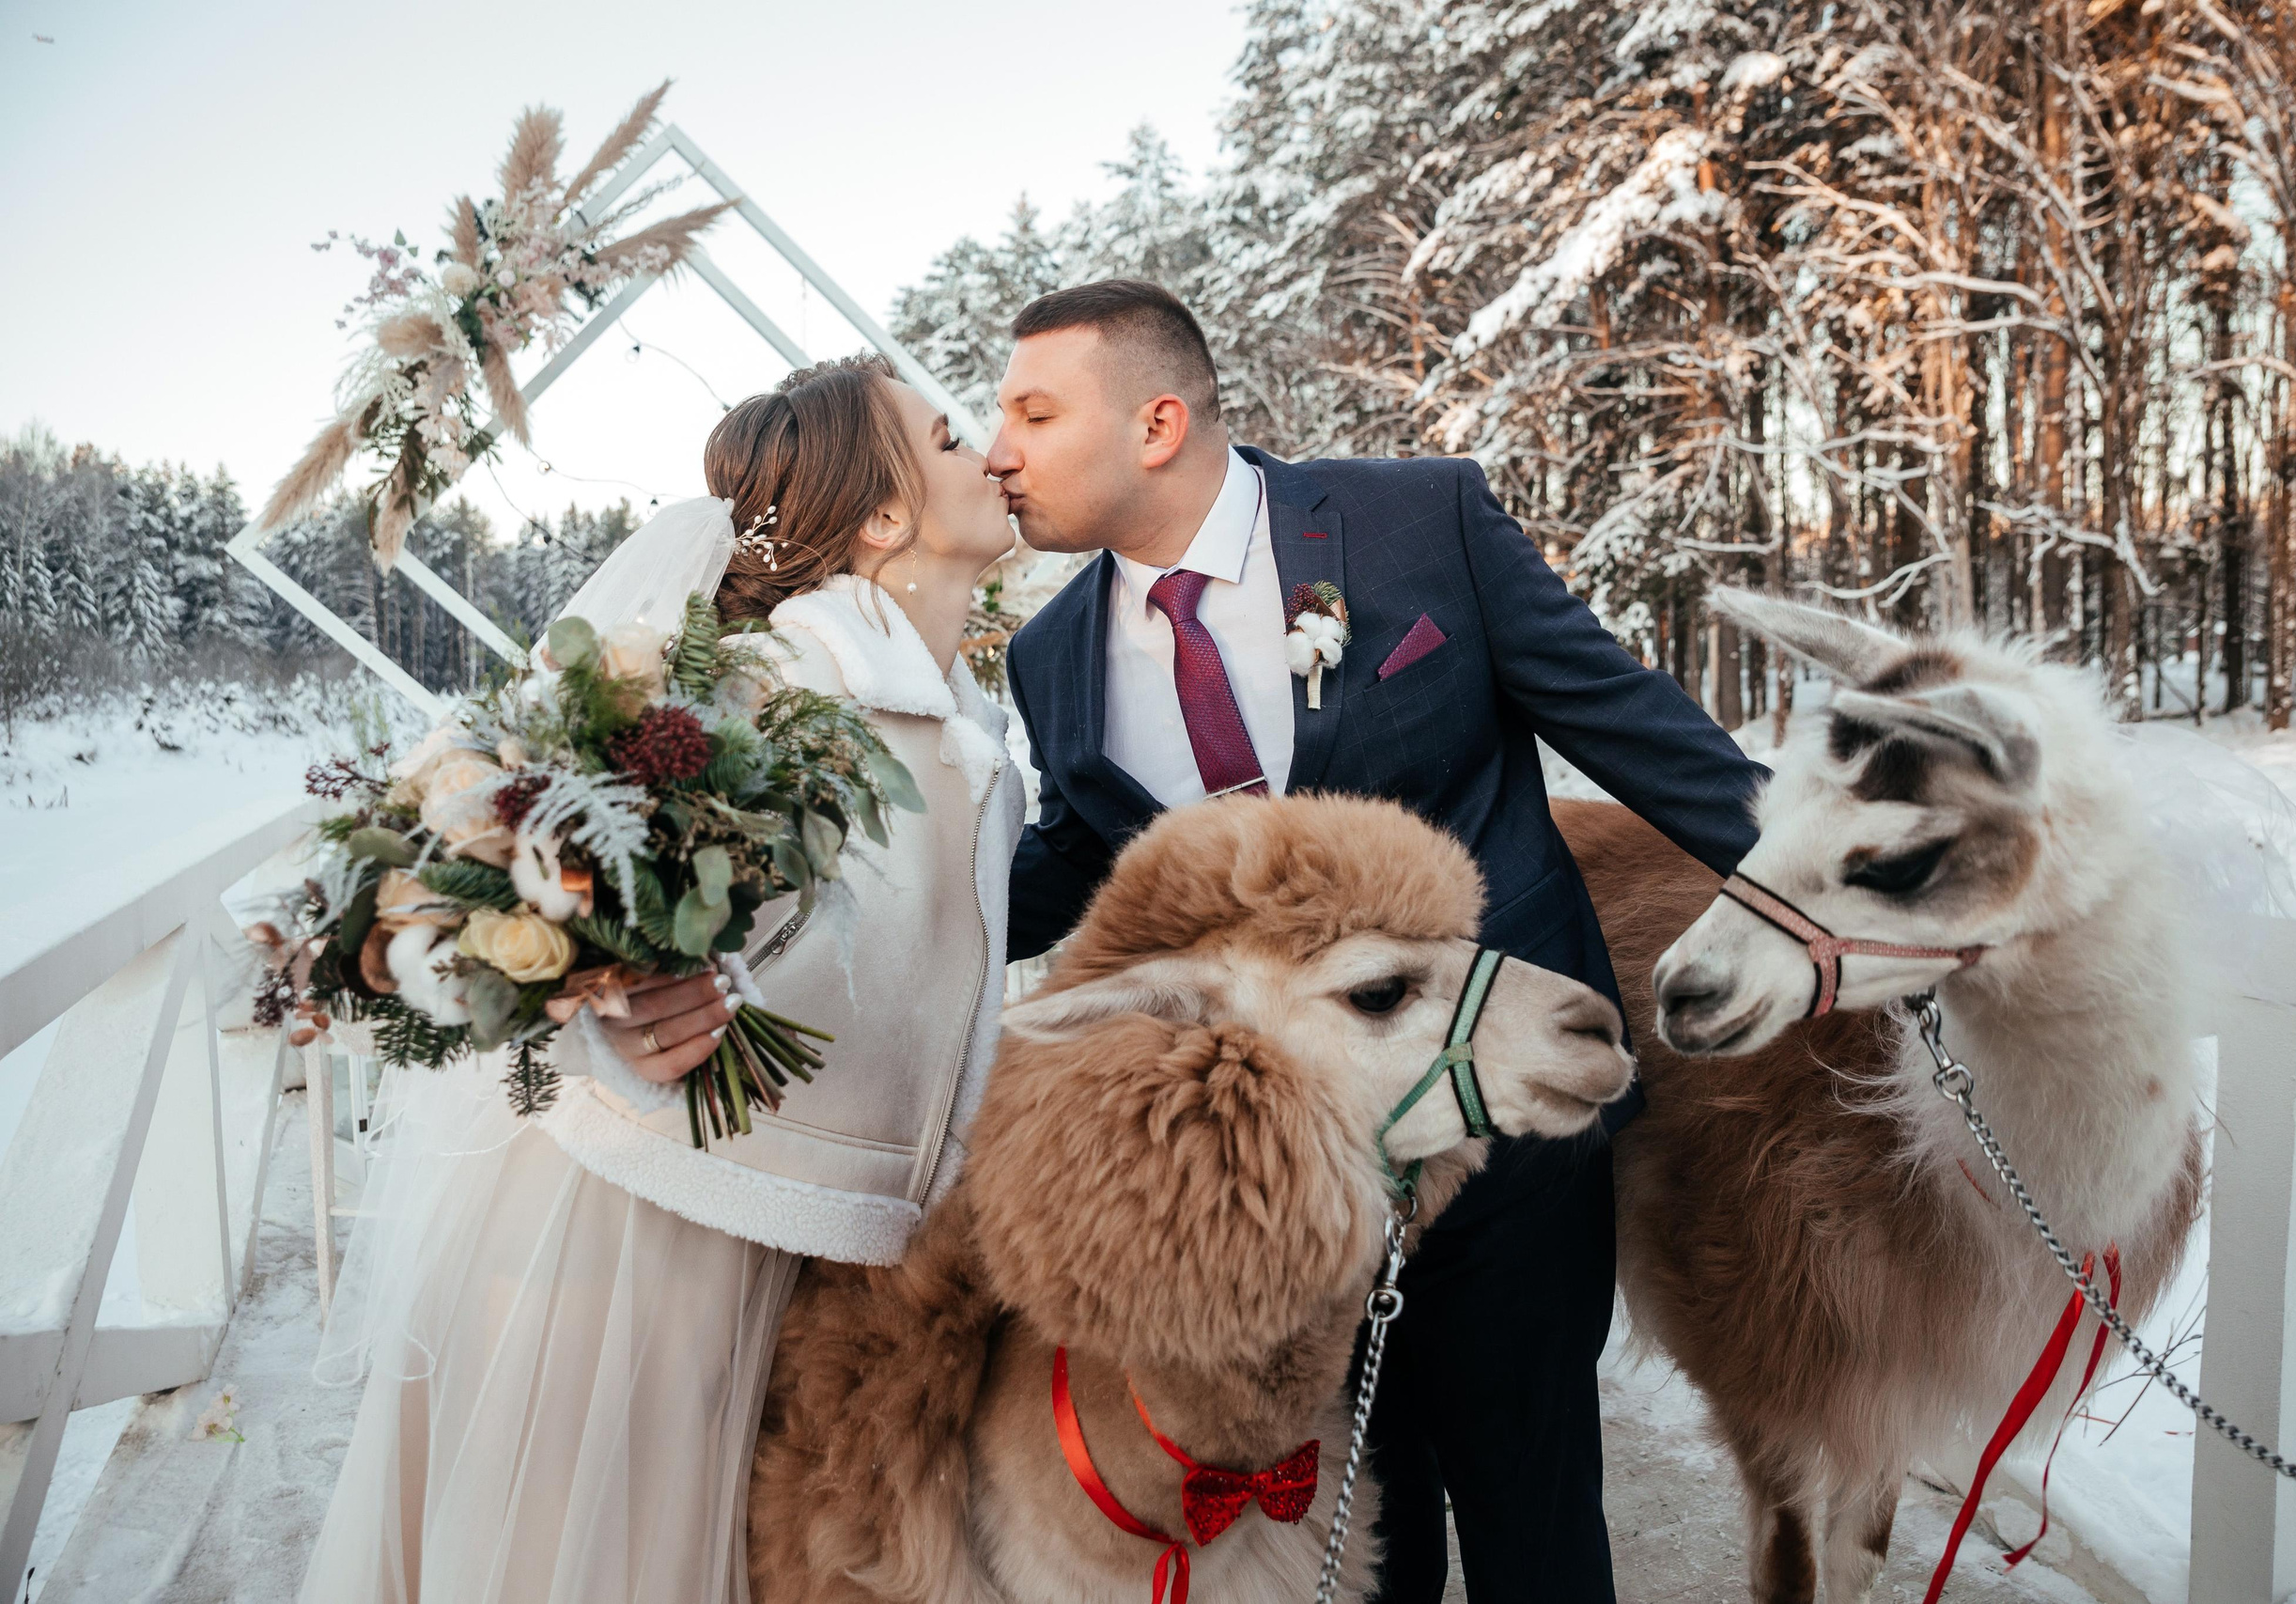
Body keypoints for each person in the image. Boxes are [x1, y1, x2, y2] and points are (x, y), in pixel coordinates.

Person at [992, 279, 1767, 1602]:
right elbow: (1082, 853)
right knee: (1361, 1531)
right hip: (1300, 1180)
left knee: (1533, 1520)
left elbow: (1631, 727)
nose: (999, 448)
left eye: (1034, 411)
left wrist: (1841, 892)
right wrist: (888, 937)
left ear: (1157, 422)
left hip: (1504, 1115)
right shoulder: (1052, 653)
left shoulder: (1422, 524)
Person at [300, 352, 1024, 1604]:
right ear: (886, 517)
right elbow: (481, 876)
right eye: (955, 437)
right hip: (647, 1233)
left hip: (816, 1243)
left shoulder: (963, 718)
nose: (995, 455)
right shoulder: (768, 683)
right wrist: (608, 1015)